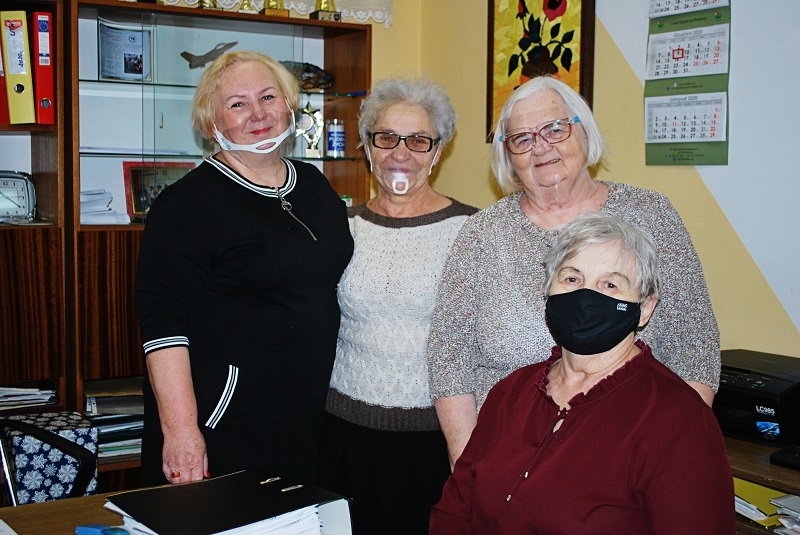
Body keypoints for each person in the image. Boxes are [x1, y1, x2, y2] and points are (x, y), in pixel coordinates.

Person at [427, 75, 720, 469]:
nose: (540, 147)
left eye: (554, 128)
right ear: (507, 155)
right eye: (522, 138)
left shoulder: (651, 216)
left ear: (584, 131)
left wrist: (674, 452)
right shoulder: (482, 233)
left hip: (629, 456)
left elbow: (696, 344)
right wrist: (471, 467)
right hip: (506, 457)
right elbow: (448, 356)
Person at [430, 212, 736, 534]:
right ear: (548, 290)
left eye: (611, 284)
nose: (586, 297)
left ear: (645, 308)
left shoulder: (678, 419)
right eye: (572, 279)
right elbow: (455, 509)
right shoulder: (510, 393)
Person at [136, 50, 353, 486]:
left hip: (309, 418)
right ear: (211, 123)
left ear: (288, 105)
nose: (258, 113)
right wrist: (181, 432)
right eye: (238, 103)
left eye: (268, 97)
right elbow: (162, 328)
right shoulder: (185, 206)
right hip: (227, 426)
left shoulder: (314, 186)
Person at [316, 77, 478, 534]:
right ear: (367, 147)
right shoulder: (341, 228)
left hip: (435, 436)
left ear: (438, 151)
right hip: (343, 431)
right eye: (386, 137)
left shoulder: (472, 231)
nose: (400, 153)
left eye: (418, 140)